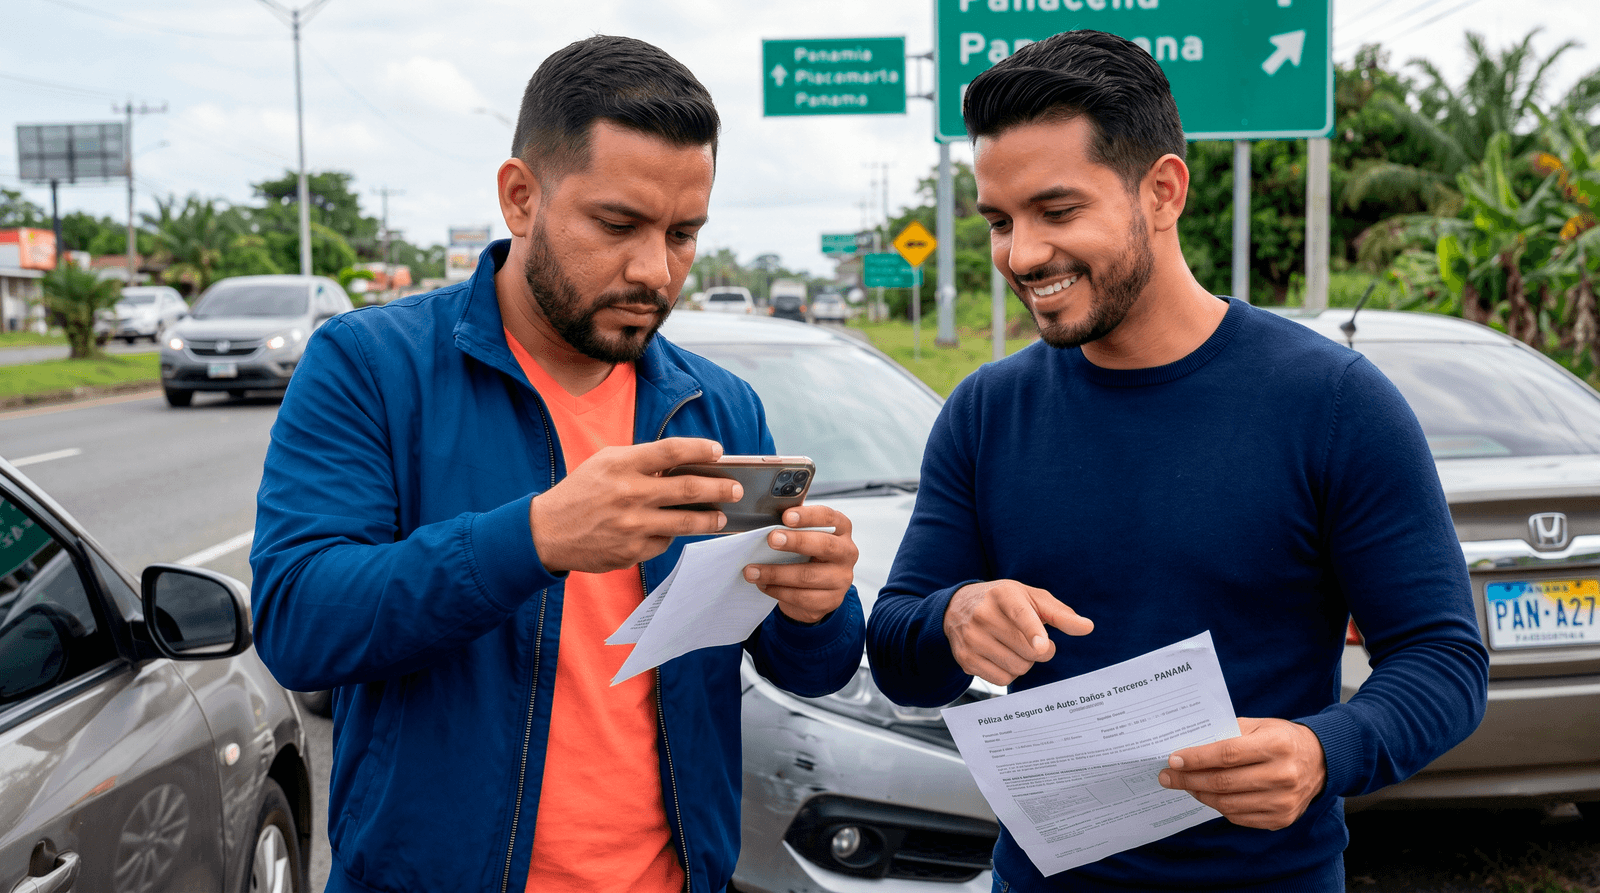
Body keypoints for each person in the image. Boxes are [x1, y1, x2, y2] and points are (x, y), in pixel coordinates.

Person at [864, 29, 1487, 893]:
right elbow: (897, 651)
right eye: (1001, 222)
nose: (1022, 255)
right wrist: (955, 614)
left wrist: (1322, 748)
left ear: (1161, 191)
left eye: (1057, 210)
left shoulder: (1332, 402)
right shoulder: (986, 410)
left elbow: (1444, 658)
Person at [250, 35, 864, 893]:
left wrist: (820, 607)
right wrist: (534, 537)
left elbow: (811, 665)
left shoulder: (718, 407)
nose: (655, 269)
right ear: (521, 197)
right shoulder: (369, 367)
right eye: (618, 225)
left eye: (683, 233)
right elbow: (297, 623)